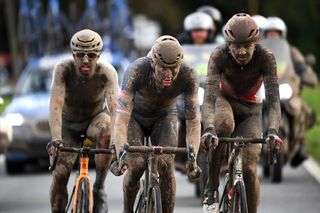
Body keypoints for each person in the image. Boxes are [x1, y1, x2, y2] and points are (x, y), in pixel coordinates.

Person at [201, 13, 283, 213]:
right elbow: (210, 98)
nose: (242, 51)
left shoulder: (266, 58)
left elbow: (273, 101)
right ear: (227, 44)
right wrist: (209, 128)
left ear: (256, 42)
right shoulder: (219, 55)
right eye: (236, 46)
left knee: (248, 168)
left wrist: (272, 130)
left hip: (251, 110)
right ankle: (211, 189)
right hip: (224, 101)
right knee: (223, 126)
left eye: (248, 45)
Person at [110, 35, 201, 213]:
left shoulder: (188, 74)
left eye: (173, 68)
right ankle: (127, 209)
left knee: (166, 164)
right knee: (136, 165)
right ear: (152, 64)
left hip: (165, 117)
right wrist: (121, 153)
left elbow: (193, 121)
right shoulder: (136, 70)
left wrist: (193, 156)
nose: (169, 74)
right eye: (163, 69)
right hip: (134, 118)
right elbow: (120, 120)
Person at [46, 29, 119, 213]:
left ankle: (99, 189)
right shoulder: (63, 69)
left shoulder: (107, 72)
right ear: (73, 55)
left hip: (95, 118)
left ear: (98, 55)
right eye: (80, 55)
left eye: (91, 55)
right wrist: (56, 138)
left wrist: (119, 140)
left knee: (107, 133)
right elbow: (55, 104)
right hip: (68, 123)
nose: (86, 60)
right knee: (61, 175)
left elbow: (115, 109)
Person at [263, 16, 318, 167]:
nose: (273, 36)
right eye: (270, 33)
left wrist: (307, 75)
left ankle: (300, 146)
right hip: (264, 91)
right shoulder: (258, 51)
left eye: (276, 33)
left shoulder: (291, 51)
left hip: (285, 90)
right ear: (264, 34)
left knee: (304, 111)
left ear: (282, 34)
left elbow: (301, 66)